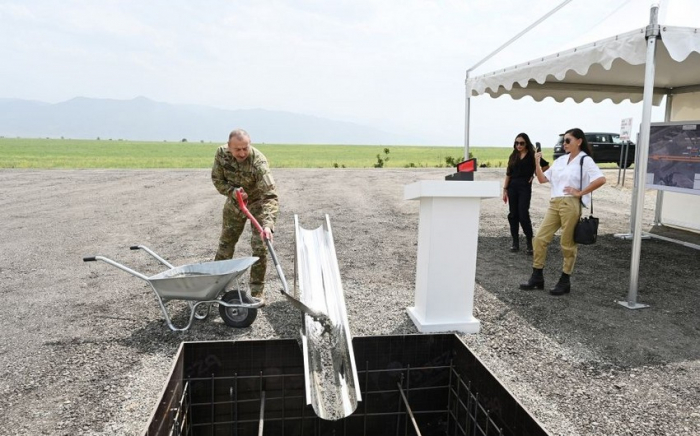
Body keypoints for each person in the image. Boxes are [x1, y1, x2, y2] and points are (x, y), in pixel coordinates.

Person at [519, 128, 606, 295]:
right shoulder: (560, 160)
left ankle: (565, 280)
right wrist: (537, 163)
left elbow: (601, 179)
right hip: (555, 203)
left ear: (579, 141)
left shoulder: (584, 160)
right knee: (539, 238)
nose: (564, 144)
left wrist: (580, 192)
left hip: (570, 203)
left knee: (567, 243)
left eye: (568, 141)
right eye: (563, 141)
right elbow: (543, 179)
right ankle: (537, 277)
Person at [212, 129, 279, 304]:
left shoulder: (259, 162)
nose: (242, 153)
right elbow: (218, 181)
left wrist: (268, 224)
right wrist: (232, 192)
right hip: (235, 202)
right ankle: (214, 286)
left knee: (260, 247)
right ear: (229, 147)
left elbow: (270, 196)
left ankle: (256, 292)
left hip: (257, 204)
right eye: (237, 149)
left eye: (245, 148)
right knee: (226, 244)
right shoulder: (221, 154)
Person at [502, 133, 549, 254]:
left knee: (523, 214)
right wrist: (505, 189)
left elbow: (546, 166)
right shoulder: (513, 155)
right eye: (517, 143)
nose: (519, 145)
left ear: (526, 143)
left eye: (521, 143)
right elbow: (508, 173)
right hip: (512, 187)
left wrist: (534, 175)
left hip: (524, 187)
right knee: (513, 215)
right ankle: (515, 242)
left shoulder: (532, 155)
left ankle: (529, 242)